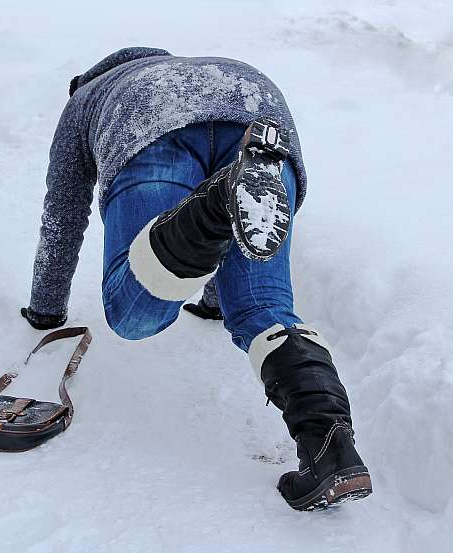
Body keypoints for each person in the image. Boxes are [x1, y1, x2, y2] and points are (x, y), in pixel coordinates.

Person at [21, 47, 372, 510]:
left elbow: (62, 215)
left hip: (149, 113)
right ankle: (331, 451)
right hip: (257, 105)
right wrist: (214, 302)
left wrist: (46, 309)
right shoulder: (186, 66)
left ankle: (213, 203)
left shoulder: (88, 96)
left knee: (134, 314)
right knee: (264, 310)